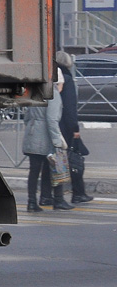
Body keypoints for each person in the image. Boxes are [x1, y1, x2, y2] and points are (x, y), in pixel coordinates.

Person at [22, 68, 72, 212]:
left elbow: (26, 118)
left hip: (32, 137)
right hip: (46, 139)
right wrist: (57, 142)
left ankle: (31, 203)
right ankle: (59, 200)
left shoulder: (35, 92)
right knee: (57, 168)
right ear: (58, 83)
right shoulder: (54, 95)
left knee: (34, 172)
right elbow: (52, 120)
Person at [55, 51, 94, 203]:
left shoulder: (51, 79)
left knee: (54, 162)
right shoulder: (67, 80)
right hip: (66, 128)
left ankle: (48, 197)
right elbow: (70, 108)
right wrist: (75, 130)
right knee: (75, 160)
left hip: (54, 126)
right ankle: (77, 193)